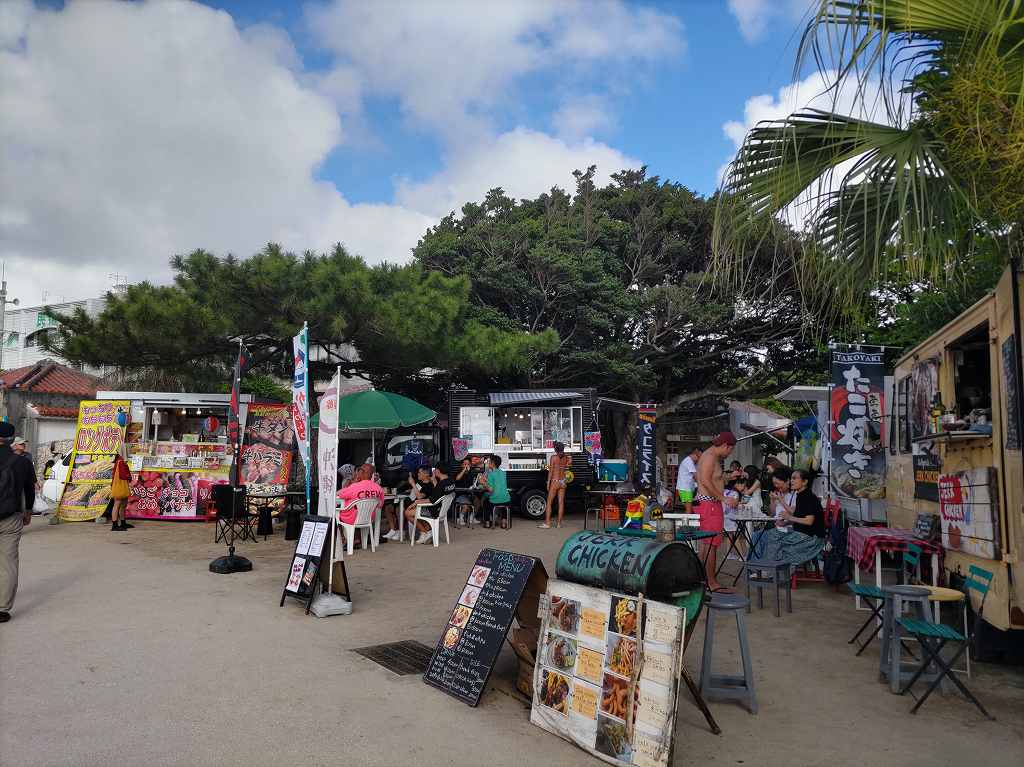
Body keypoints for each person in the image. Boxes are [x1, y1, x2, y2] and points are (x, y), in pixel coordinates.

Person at [0, 422, 38, 623]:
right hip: (11, 517)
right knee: (8, 563)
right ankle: (2, 609)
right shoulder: (23, 462)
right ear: (11, 439)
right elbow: (30, 489)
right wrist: (28, 511)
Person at [752, 469, 826, 567]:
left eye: (795, 478)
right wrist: (786, 522)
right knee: (768, 538)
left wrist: (788, 517)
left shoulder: (808, 497)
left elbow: (809, 521)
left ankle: (770, 569)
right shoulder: (801, 495)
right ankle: (763, 567)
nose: (792, 481)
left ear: (805, 482)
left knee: (775, 542)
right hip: (801, 533)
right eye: (791, 478)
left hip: (811, 539)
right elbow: (798, 515)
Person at [694, 431, 739, 593]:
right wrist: (723, 498)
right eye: (731, 450)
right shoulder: (710, 457)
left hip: (709, 504)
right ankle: (712, 583)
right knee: (711, 544)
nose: (730, 453)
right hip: (709, 504)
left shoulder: (710, 455)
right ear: (726, 446)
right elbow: (705, 481)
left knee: (707, 544)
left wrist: (727, 478)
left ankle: (703, 580)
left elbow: (711, 478)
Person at [404, 464, 456, 544]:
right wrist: (434, 480)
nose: (433, 471)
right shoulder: (451, 482)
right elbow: (438, 494)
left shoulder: (441, 484)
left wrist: (416, 502)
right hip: (443, 510)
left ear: (438, 471)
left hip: (434, 511)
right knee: (415, 509)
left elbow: (432, 500)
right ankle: (428, 533)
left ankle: (425, 532)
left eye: (435, 469)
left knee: (407, 513)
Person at [337, 463, 384, 546]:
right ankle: (356, 539)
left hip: (351, 518)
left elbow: (340, 495)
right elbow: (380, 505)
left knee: (336, 514)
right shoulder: (379, 488)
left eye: (359, 471)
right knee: (355, 511)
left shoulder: (355, 486)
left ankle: (343, 540)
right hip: (369, 518)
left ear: (361, 472)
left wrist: (355, 481)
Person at [540, 441, 572, 529]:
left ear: (555, 449)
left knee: (549, 502)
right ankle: (559, 524)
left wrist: (548, 482)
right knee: (561, 503)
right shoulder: (566, 458)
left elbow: (550, 471)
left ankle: (547, 523)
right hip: (563, 481)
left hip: (555, 481)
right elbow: (569, 466)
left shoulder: (553, 457)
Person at [477, 454, 511, 528]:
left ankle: (487, 522)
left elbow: (491, 489)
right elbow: (497, 483)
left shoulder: (491, 474)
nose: (488, 463)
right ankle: (503, 523)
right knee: (504, 503)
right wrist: (486, 480)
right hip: (507, 499)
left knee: (485, 502)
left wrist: (483, 483)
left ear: (492, 463)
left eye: (489, 462)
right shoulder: (504, 473)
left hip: (495, 501)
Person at [109, 445, 134, 531]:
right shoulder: (121, 462)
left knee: (123, 504)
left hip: (121, 485)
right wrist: (129, 478)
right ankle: (114, 525)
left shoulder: (120, 460)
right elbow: (124, 475)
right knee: (117, 504)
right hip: (119, 485)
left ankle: (123, 523)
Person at [676, 446, 701, 513]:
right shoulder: (689, 461)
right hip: (685, 489)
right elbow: (696, 476)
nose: (699, 459)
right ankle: (685, 520)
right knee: (689, 510)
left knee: (690, 510)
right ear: (695, 453)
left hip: (686, 489)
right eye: (699, 457)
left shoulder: (691, 462)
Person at [452, 458, 476, 527]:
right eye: (465, 464)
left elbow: (474, 482)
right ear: (461, 465)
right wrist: (464, 470)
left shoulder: (471, 473)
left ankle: (471, 517)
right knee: (466, 505)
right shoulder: (458, 472)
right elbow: (457, 478)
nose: (466, 465)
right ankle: (460, 518)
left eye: (468, 464)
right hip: (459, 494)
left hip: (469, 493)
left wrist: (469, 472)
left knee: (478, 502)